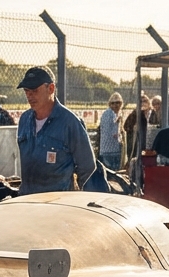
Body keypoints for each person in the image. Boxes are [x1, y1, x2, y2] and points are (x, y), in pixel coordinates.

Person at [15, 66, 95, 195]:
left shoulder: (70, 122)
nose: (29, 96)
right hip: (28, 200)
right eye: (26, 91)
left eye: (34, 90)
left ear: (51, 88)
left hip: (57, 205)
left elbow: (87, 165)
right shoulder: (24, 120)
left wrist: (69, 193)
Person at [122, 94, 151, 164]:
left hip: (149, 143)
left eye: (145, 101)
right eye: (141, 101)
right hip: (135, 145)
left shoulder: (152, 113)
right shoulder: (134, 114)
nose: (143, 103)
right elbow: (126, 127)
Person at [98, 92, 124, 171]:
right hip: (111, 151)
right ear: (110, 104)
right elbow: (115, 134)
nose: (115, 105)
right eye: (113, 103)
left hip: (105, 150)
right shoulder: (112, 114)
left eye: (118, 103)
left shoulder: (107, 113)